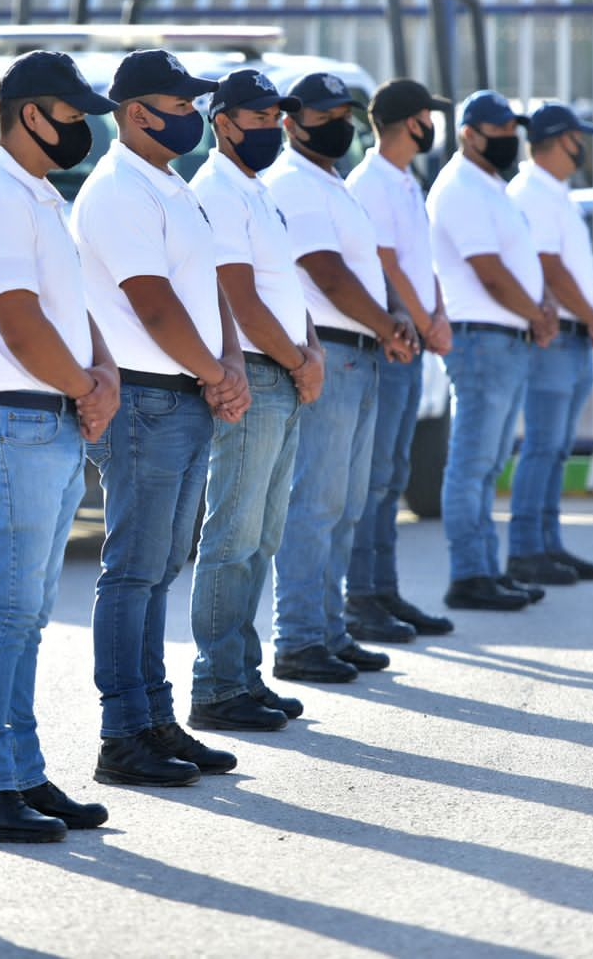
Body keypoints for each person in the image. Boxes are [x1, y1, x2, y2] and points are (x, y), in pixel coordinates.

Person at [0, 50, 121, 841]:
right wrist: (88, 387)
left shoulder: (38, 195)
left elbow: (67, 308)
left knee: (30, 613)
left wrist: (101, 373)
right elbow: (18, 320)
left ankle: (19, 771)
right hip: (16, 417)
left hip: (45, 415)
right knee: (8, 612)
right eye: (71, 112)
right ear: (29, 113)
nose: (81, 126)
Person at [71, 48, 248, 786]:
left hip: (185, 393)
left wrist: (230, 363)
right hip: (147, 397)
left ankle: (154, 718)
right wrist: (217, 374)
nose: (193, 118)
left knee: (159, 567)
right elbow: (152, 304)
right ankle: (123, 734)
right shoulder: (117, 191)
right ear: (136, 113)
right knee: (135, 570)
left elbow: (208, 292)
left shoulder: (169, 185)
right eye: (180, 106)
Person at [264, 71, 417, 683]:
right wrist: (387, 323)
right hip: (334, 350)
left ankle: (329, 629)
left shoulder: (328, 181)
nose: (339, 123)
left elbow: (361, 264)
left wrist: (393, 317)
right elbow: (326, 274)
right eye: (324, 114)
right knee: (317, 502)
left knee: (347, 502)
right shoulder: (295, 183)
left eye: (344, 113)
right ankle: (299, 638)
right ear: (291, 122)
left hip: (360, 350)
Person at [186, 69, 322, 733]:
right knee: (233, 535)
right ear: (224, 123)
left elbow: (282, 286)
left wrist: (311, 349)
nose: (270, 128)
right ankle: (215, 686)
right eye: (258, 118)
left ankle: (243, 675)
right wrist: (301, 360)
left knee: (262, 537)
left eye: (276, 117)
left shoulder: (256, 190)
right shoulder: (216, 190)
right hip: (259, 376)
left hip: (284, 374)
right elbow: (239, 300)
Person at [427, 88, 556, 613]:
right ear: (468, 134)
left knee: (488, 462)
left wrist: (539, 309)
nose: (509, 139)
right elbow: (489, 272)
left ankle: (486, 570)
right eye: (499, 131)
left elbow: (516, 262)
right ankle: (469, 574)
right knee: (473, 461)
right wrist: (535, 312)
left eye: (512, 131)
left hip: (505, 338)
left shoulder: (489, 186)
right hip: (482, 338)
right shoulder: (460, 187)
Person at [342, 78, 457, 643]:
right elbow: (384, 261)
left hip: (411, 338)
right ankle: (361, 596)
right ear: (409, 122)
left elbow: (420, 260)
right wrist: (419, 318)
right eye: (426, 116)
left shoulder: (406, 180)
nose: (431, 125)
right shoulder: (370, 182)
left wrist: (436, 313)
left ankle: (383, 590)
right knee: (374, 476)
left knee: (392, 474)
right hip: (391, 341)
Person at [507, 102, 593, 585]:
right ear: (559, 139)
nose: (583, 146)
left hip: (573, 337)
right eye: (577, 137)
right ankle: (527, 548)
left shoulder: (555, 191)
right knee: (543, 446)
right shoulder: (532, 192)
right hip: (555, 341)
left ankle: (547, 543)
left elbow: (574, 261)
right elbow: (547, 265)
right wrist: (592, 313)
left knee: (556, 447)